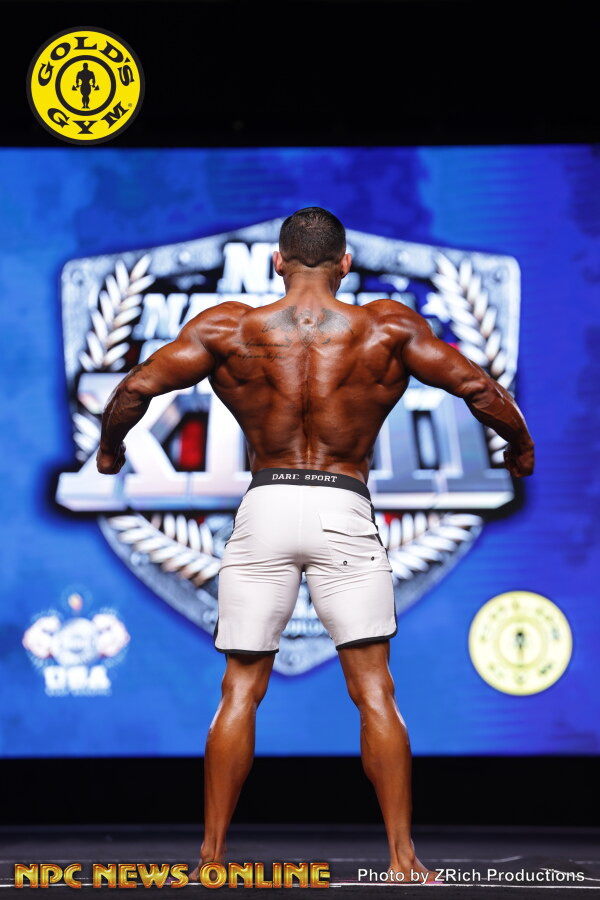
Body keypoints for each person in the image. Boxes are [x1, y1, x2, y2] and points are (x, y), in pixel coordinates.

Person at [97, 207, 534, 883]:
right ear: (345, 263)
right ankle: (402, 860)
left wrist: (110, 450)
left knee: (240, 689)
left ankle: (211, 857)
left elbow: (135, 388)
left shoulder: (228, 328)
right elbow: (477, 386)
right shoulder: (386, 327)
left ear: (277, 261)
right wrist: (520, 446)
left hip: (266, 506)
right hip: (341, 507)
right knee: (374, 690)